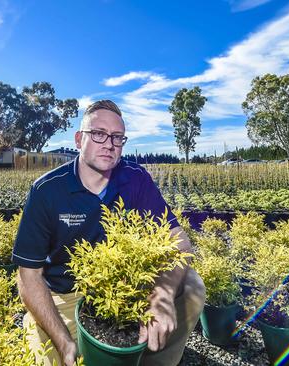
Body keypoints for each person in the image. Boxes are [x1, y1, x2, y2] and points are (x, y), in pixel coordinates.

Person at [12, 100, 205, 366]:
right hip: (66, 296)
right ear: (79, 139)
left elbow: (180, 244)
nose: (109, 143)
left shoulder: (136, 179)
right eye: (99, 134)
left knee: (192, 286)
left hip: (127, 286)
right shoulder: (47, 190)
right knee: (54, 357)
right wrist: (63, 340)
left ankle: (152, 356)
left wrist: (160, 297)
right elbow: (28, 276)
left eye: (117, 137)